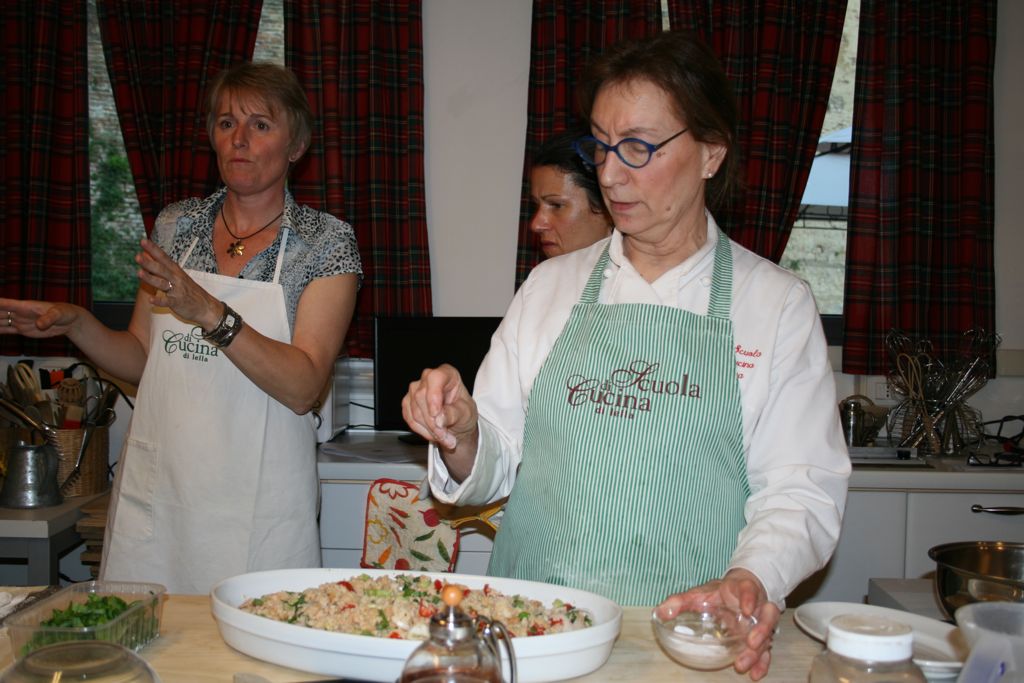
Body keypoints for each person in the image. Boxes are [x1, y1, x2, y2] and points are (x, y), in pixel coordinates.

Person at [402, 31, 849, 680]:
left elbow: (801, 486)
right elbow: (495, 460)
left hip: (685, 639)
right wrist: (463, 432)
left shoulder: (774, 305)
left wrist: (753, 576)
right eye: (602, 145)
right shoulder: (550, 288)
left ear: (710, 153)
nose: (610, 173)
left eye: (638, 146)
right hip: (536, 631)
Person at [0, 62, 362, 594]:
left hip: (259, 511)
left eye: (261, 125)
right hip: (162, 500)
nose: (239, 139)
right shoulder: (177, 226)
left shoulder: (325, 244)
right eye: (225, 123)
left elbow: (304, 387)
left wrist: (210, 311)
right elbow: (142, 357)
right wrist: (76, 323)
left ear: (296, 144)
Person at [529, 129, 613, 258]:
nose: (536, 225)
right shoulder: (540, 277)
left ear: (607, 210)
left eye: (556, 205)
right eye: (536, 206)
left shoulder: (641, 277)